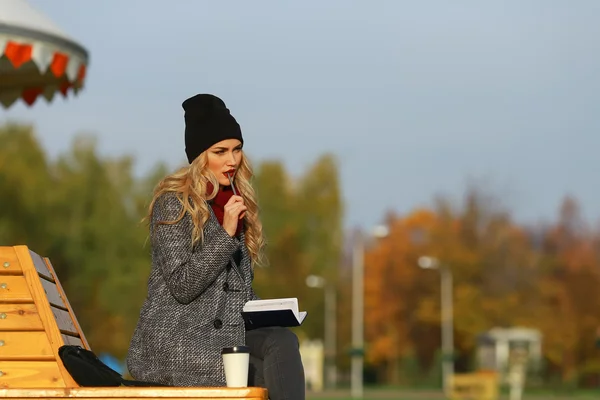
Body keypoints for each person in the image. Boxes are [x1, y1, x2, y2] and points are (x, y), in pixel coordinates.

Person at [126, 94, 305, 399]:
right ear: (200, 156)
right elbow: (183, 285)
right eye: (220, 151)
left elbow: (234, 292)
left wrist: (270, 311)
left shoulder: (234, 203)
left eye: (237, 149)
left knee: (283, 341)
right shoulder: (174, 204)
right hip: (179, 344)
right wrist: (225, 233)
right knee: (267, 378)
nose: (232, 161)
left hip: (224, 337)